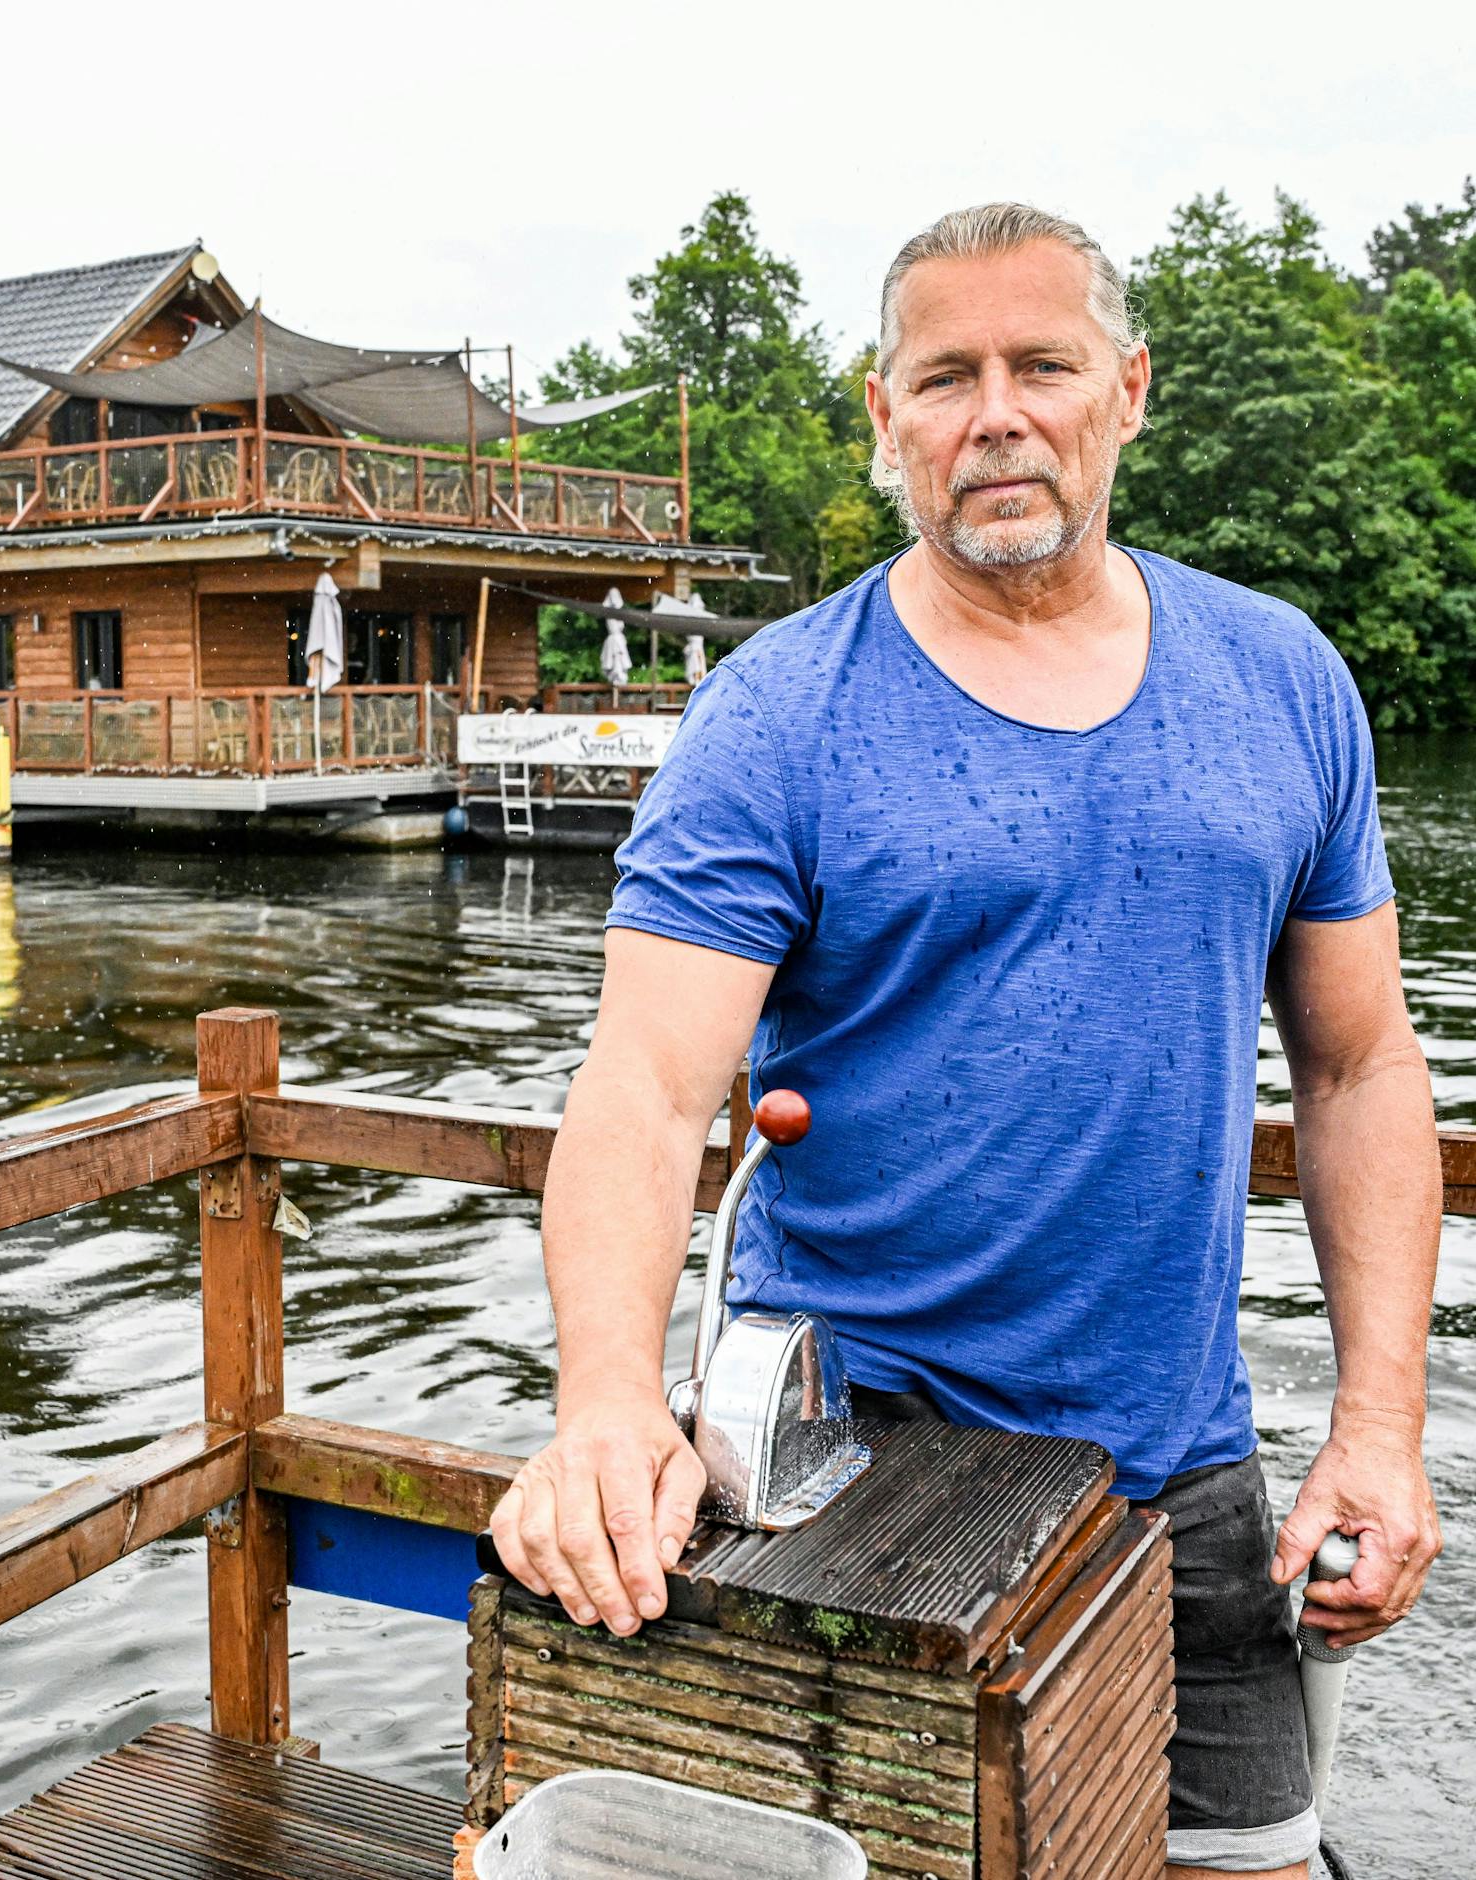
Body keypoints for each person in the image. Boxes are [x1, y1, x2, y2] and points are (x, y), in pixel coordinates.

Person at [488, 204, 1443, 1879]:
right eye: (945, 378)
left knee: (1253, 1863)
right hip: (834, 1456)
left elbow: (1361, 1069)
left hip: (1178, 1452)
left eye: (1042, 366)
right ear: (885, 421)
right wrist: (600, 1405)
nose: (995, 413)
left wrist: (1377, 1425)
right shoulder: (778, 714)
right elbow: (642, 1085)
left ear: (1127, 393)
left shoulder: (1281, 681)